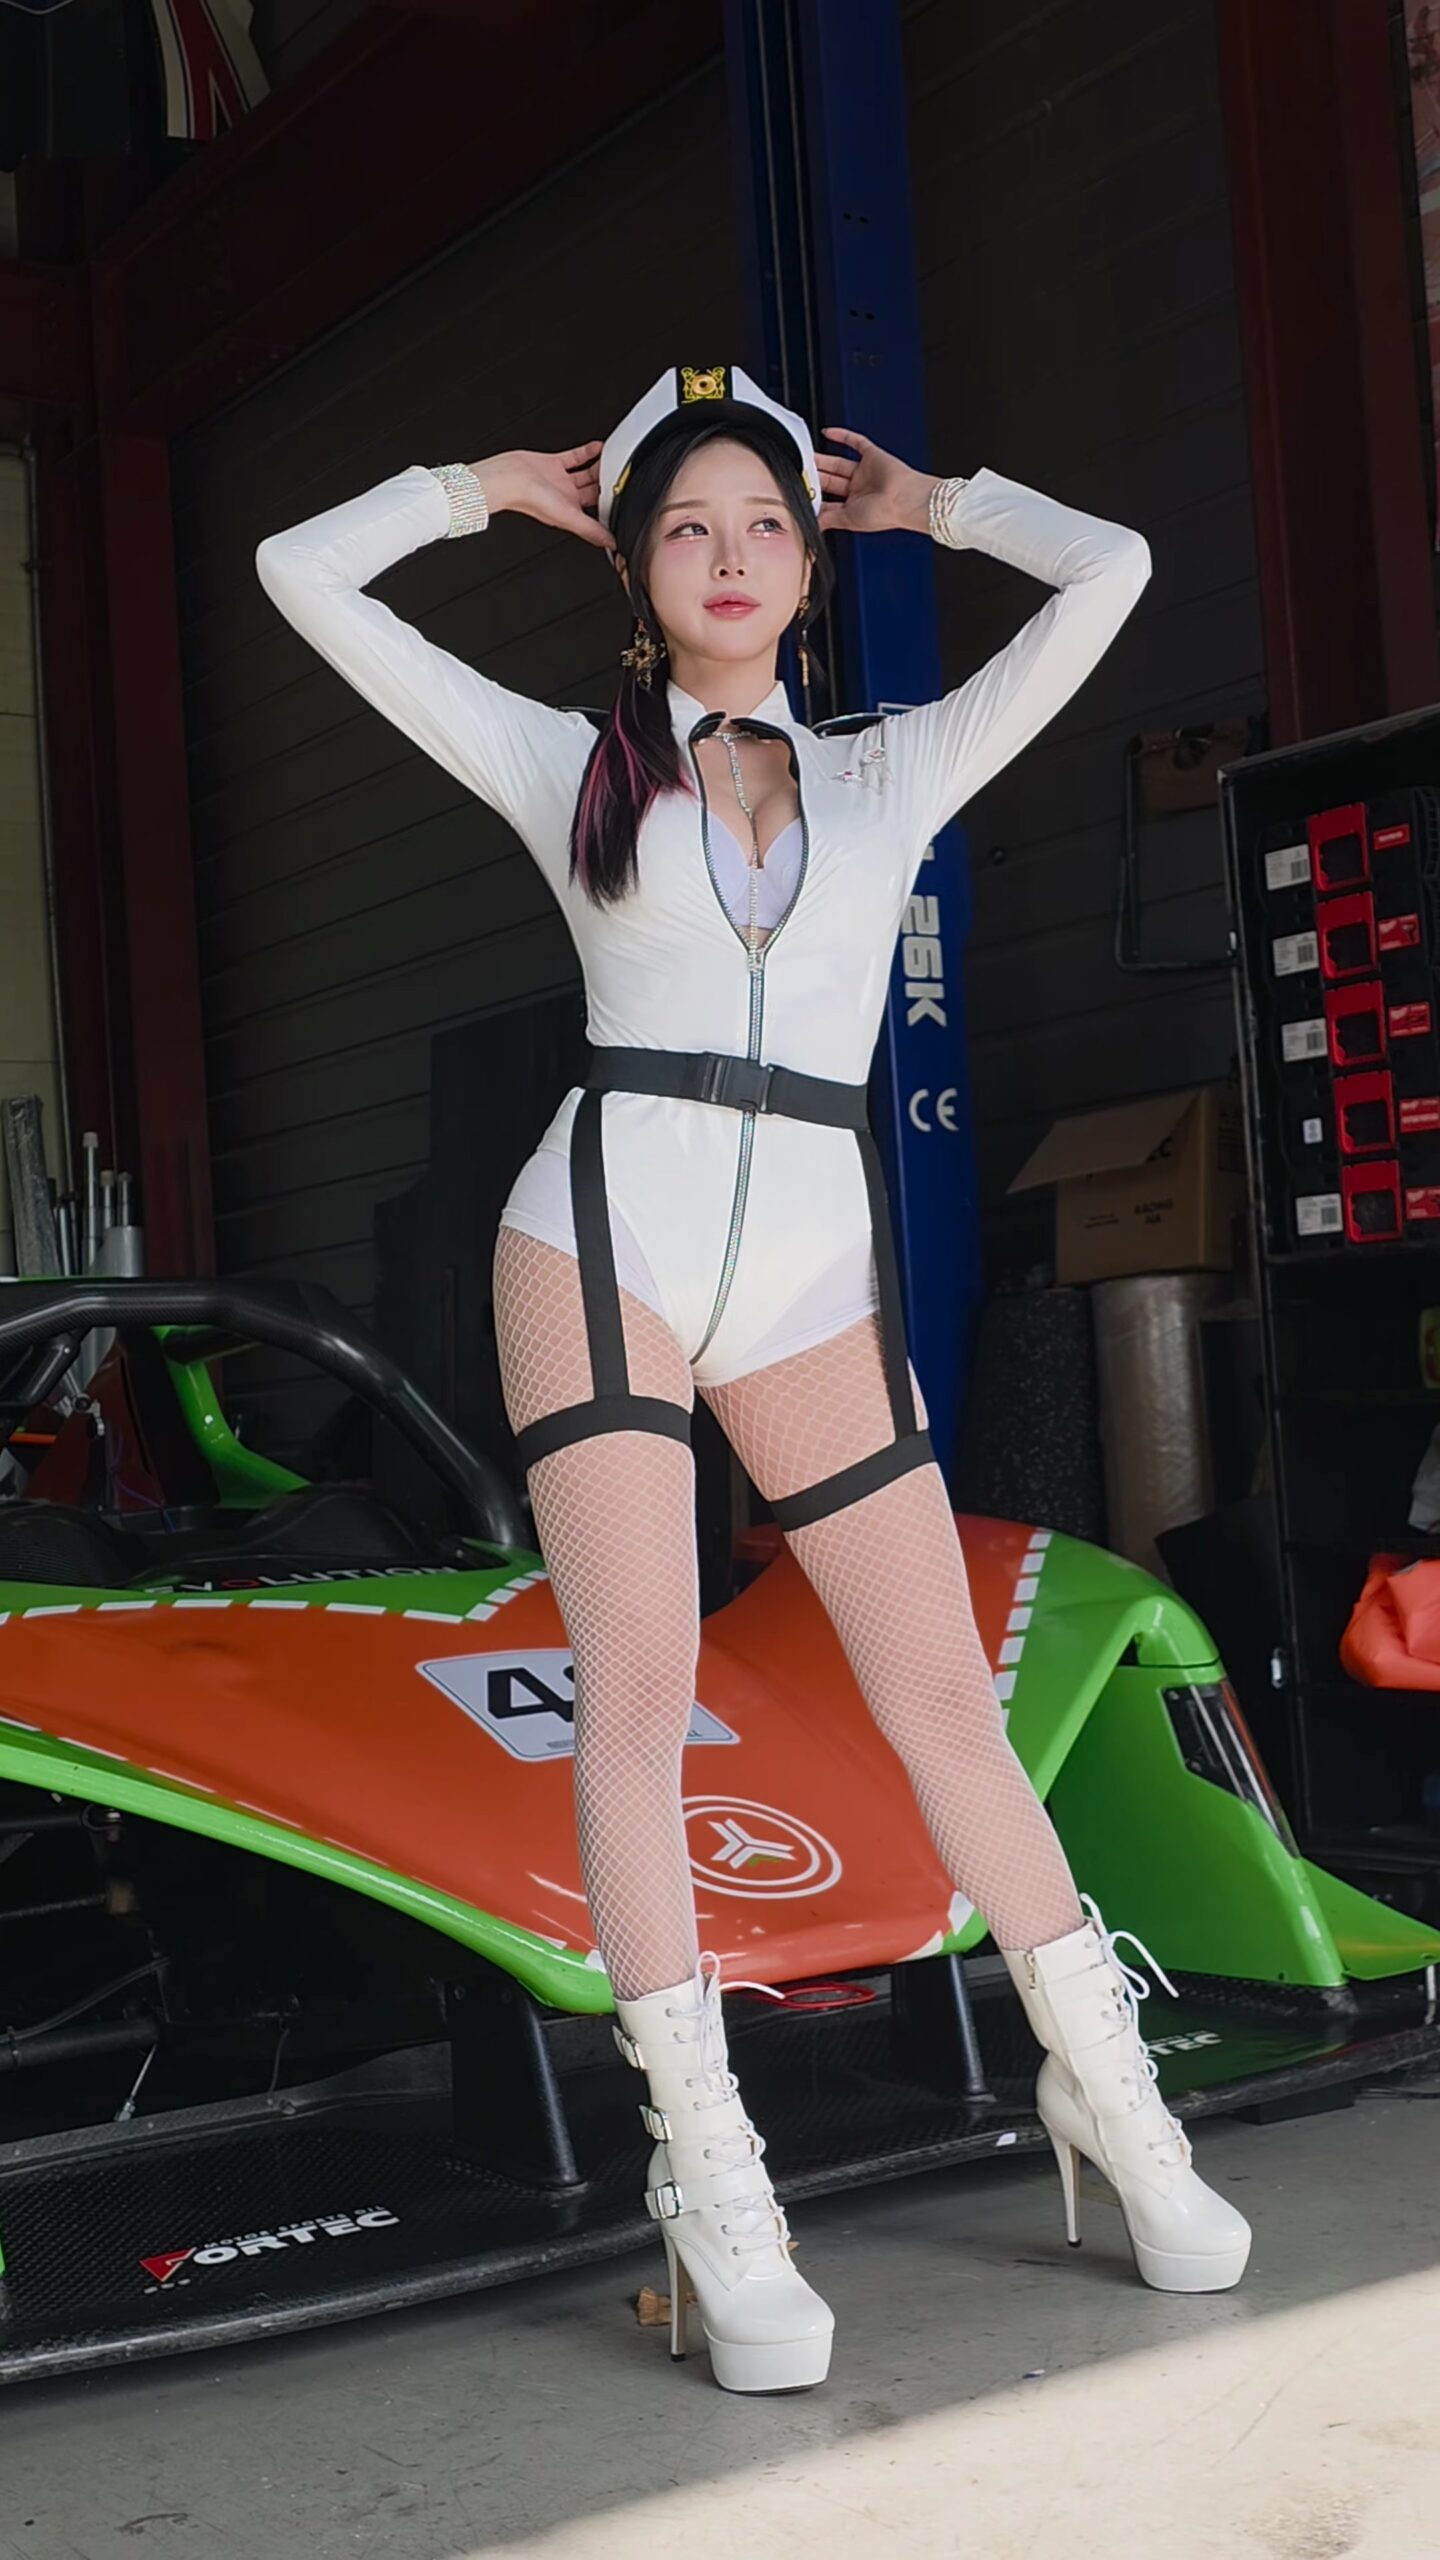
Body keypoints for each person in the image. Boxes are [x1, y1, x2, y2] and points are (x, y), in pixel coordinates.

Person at [256, 360, 1251, 2397]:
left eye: (769, 523)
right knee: (635, 1691)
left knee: (942, 1698)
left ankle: (1109, 2093)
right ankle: (709, 2176)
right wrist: (471, 485)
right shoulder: (567, 764)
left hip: (806, 1267)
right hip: (599, 1242)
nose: (732, 556)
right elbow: (298, 572)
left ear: (810, 561)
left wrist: (941, 504)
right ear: (635, 570)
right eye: (689, 526)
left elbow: (1118, 569)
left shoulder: (894, 768)